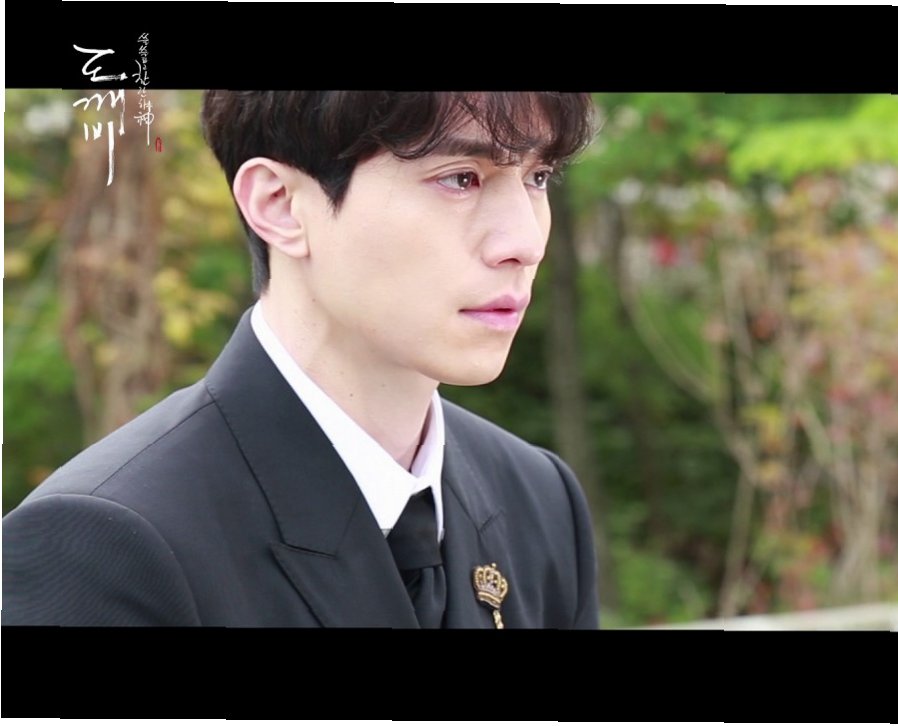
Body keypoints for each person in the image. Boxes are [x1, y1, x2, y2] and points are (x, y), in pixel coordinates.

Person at [2, 91, 599, 628]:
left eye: (538, 176)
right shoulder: (103, 546)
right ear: (280, 204)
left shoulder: (539, 500)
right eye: (461, 178)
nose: (524, 242)